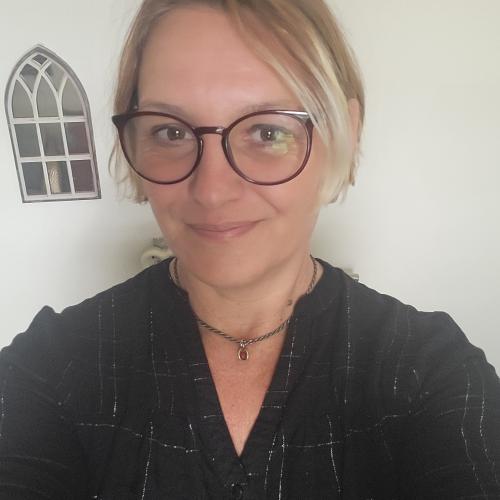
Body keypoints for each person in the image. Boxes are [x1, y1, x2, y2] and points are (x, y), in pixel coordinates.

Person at [1, 0, 499, 498]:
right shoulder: (51, 368)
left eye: (267, 131)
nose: (211, 191)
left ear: (344, 133)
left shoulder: (430, 375)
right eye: (170, 131)